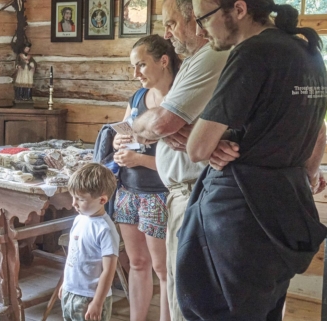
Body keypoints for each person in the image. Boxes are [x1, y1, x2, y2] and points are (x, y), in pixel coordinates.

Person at [178, 0, 327, 318]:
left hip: (236, 217)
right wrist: (303, 176)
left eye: (204, 17)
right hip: (286, 209)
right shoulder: (309, 53)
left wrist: (216, 140)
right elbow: (320, 134)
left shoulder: (252, 53)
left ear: (239, 9)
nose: (201, 30)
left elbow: (197, 149)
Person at [130, 0, 230, 319]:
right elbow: (161, 124)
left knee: (186, 293)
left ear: (196, 22)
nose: (167, 32)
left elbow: (160, 124)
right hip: (181, 194)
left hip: (192, 193)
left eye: (171, 23)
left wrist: (149, 127)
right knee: (177, 287)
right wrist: (156, 127)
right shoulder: (192, 61)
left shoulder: (212, 56)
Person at [112, 34, 180, 321]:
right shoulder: (138, 97)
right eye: (133, 66)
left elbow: (182, 159)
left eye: (140, 65)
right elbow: (125, 132)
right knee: (136, 263)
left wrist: (140, 159)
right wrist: (118, 144)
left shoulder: (179, 99)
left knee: (163, 269)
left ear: (163, 61)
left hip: (160, 193)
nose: (135, 73)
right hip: (129, 189)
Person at [60, 162, 119, 321]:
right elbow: (73, 256)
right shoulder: (79, 220)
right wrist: (65, 284)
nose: (73, 203)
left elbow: (108, 270)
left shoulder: (105, 229)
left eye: (80, 199)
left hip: (90, 297)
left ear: (102, 200)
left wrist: (98, 303)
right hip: (71, 292)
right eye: (73, 197)